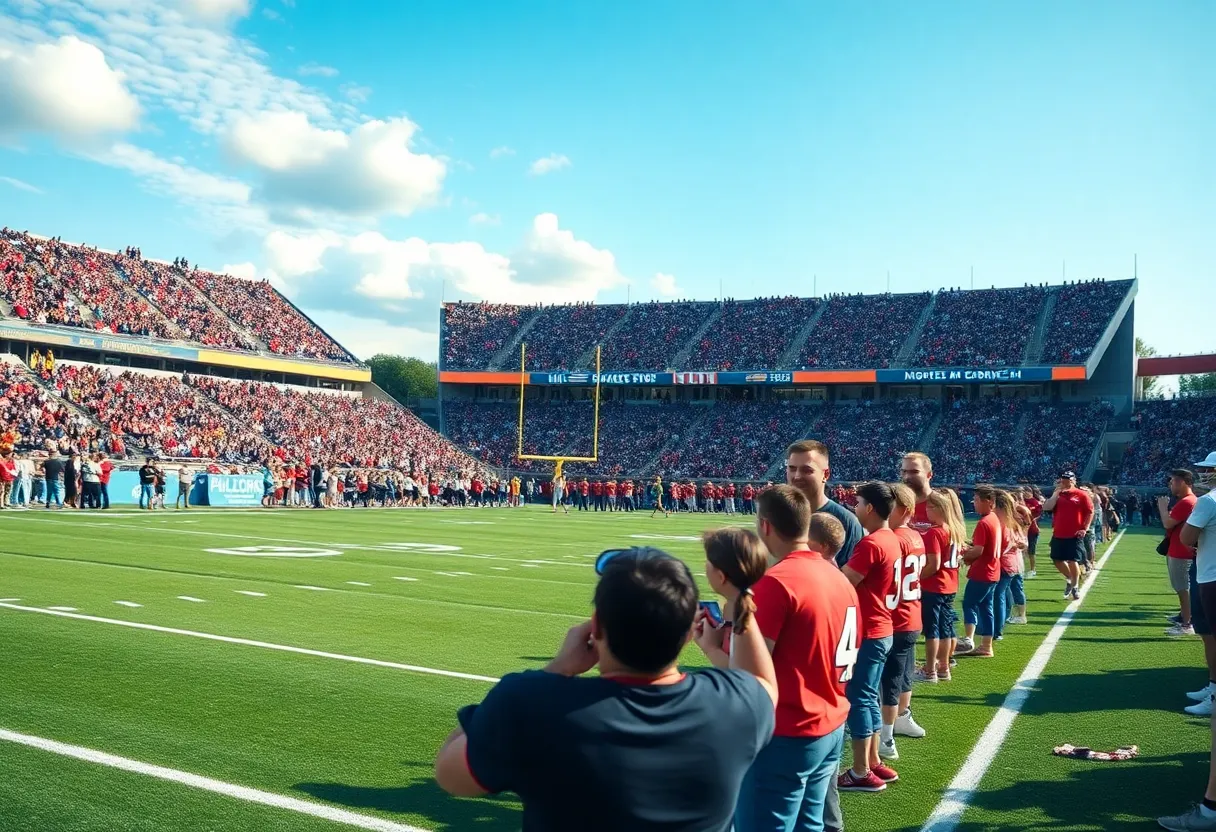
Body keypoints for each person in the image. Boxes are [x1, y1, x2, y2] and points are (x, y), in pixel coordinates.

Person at [434, 548, 779, 832]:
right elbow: (764, 683)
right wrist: (739, 596)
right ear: (690, 631)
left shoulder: (530, 703)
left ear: (595, 627)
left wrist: (556, 670)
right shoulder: (739, 705)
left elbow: (451, 776)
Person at [717, 490, 860, 832]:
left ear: (765, 526)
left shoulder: (776, 583)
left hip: (787, 730)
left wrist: (710, 644)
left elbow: (746, 678)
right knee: (809, 826)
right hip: (830, 721)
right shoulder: (839, 578)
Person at [1159, 452, 1216, 832]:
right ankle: (1212, 688)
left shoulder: (1210, 500)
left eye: (1210, 469)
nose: (1206, 474)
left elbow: (1186, 535)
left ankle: (1211, 808)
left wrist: (1166, 509)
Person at [839, 481, 899, 792]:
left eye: (858, 503)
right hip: (883, 625)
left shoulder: (872, 543)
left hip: (869, 627)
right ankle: (873, 761)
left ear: (871, 508)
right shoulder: (891, 539)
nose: (855, 508)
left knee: (859, 697)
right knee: (869, 695)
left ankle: (861, 771)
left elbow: (844, 581)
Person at [879, 483, 928, 762]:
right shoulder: (915, 536)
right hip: (911, 612)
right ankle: (902, 717)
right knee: (904, 670)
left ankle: (886, 733)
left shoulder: (893, 537)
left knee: (890, 678)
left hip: (895, 615)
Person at [786, 440, 865, 566]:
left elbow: (849, 581)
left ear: (825, 474)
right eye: (792, 469)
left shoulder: (847, 522)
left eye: (807, 470)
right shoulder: (778, 516)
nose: (797, 476)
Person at [916, 490, 964, 683]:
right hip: (950, 585)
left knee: (932, 630)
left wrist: (916, 579)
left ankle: (930, 669)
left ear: (938, 508)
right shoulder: (955, 529)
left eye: (929, 506)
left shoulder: (935, 532)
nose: (926, 510)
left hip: (934, 586)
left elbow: (933, 565)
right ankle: (943, 667)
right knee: (945, 629)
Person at [956, 485, 1001, 658]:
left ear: (988, 501)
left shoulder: (984, 522)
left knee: (969, 604)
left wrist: (963, 557)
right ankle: (986, 646)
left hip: (982, 572)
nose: (973, 503)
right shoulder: (994, 519)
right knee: (985, 607)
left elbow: (978, 550)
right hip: (993, 571)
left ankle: (968, 639)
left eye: (976, 500)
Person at [1042, 471, 1093, 601]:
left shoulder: (1081, 494)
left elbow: (1089, 511)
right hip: (1059, 532)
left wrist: (1084, 528)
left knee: (1072, 560)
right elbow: (1046, 507)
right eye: (1063, 479)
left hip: (1074, 533)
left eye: (1068, 479)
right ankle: (1070, 578)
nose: (1065, 482)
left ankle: (1075, 586)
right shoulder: (1058, 494)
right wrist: (1056, 493)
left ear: (1073, 480)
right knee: (1056, 559)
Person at [1162, 470, 1199, 637]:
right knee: (1182, 587)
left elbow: (1168, 523)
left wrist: (1162, 507)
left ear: (1182, 482)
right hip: (1179, 550)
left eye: (1173, 481)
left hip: (1181, 552)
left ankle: (1187, 623)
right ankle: (1184, 616)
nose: (1171, 485)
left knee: (1183, 588)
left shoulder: (1187, 501)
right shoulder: (1187, 501)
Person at [992, 490, 1028, 637]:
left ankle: (998, 629)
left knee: (999, 594)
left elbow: (1022, 542)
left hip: (1006, 563)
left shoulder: (1003, 522)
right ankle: (1005, 620)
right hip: (1014, 562)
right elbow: (1024, 542)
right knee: (1006, 594)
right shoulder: (1013, 520)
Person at [1024, 486, 1043, 577]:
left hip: (1032, 530)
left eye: (1026, 491)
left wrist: (1031, 520)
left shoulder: (1035, 502)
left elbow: (1038, 514)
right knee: (1023, 550)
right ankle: (1024, 569)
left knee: (1031, 551)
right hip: (1023, 529)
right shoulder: (1022, 502)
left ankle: (1032, 569)